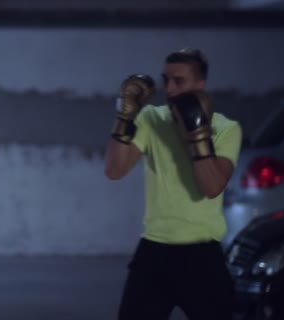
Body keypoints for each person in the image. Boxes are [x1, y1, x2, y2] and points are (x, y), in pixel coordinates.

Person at [104, 48, 243, 320]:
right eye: (165, 80)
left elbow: (211, 187)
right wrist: (125, 116)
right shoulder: (151, 119)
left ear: (200, 84)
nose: (169, 88)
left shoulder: (226, 129)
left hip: (203, 255)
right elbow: (114, 170)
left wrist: (196, 132)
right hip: (154, 251)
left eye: (178, 81)